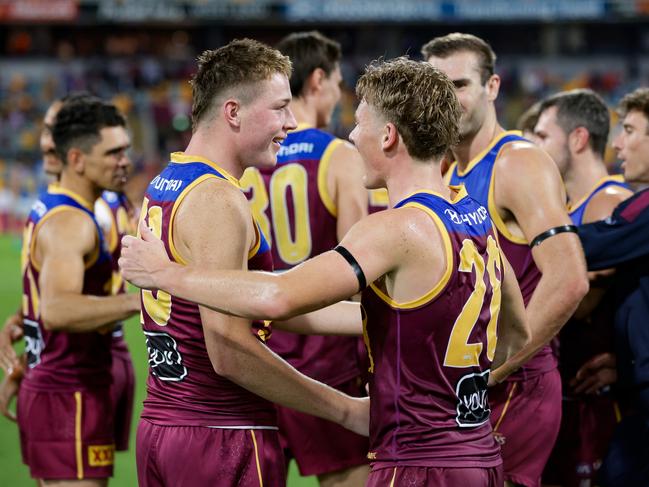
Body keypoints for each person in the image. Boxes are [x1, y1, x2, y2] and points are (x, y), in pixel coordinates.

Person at [121, 57, 531, 487]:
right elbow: (514, 333)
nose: (350, 136)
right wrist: (462, 401)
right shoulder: (475, 217)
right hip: (476, 452)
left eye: (359, 123)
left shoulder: (389, 229)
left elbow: (282, 295)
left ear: (388, 136)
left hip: (414, 459)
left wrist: (168, 275)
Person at [130, 38, 368, 487]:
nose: (292, 122)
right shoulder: (218, 198)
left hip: (167, 426)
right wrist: (346, 410)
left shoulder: (167, 180)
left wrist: (374, 316)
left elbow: (260, 302)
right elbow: (228, 351)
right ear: (233, 112)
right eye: (279, 108)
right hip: (221, 435)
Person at [422, 33, 589, 487]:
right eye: (437, 88)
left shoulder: (517, 163)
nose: (447, 100)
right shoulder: (445, 172)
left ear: (492, 87)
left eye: (458, 85)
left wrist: (499, 366)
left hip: (514, 383)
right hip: (469, 384)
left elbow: (570, 278)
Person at [238, 31, 369, 486]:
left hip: (257, 353)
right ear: (317, 80)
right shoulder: (338, 155)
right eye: (338, 81)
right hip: (325, 354)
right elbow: (357, 268)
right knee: (346, 475)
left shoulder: (248, 160)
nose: (340, 93)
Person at [0, 94, 138, 456]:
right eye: (46, 131)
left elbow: (59, 295)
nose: (47, 142)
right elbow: (59, 305)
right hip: (67, 378)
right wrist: (143, 300)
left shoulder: (80, 207)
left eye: (54, 131)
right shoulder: (70, 215)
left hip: (77, 366)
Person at [533, 89, 632, 486]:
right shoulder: (566, 204)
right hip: (569, 389)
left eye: (542, 137)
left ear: (577, 139)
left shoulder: (609, 202)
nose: (533, 146)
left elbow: (584, 297)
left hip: (600, 400)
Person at [576, 87, 649, 487]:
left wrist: (522, 233)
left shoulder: (642, 208)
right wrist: (629, 365)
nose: (618, 143)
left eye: (631, 130)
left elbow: (592, 245)